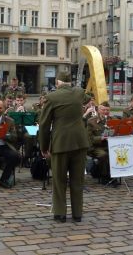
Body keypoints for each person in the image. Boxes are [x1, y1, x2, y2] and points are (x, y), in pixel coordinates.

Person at [38, 71, 90, 223]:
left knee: (59, 180)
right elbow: (87, 97)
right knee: (77, 179)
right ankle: (77, 214)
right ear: (70, 83)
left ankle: (60, 213)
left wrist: (44, 146)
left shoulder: (51, 98)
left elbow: (44, 125)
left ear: (57, 82)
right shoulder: (79, 93)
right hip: (80, 142)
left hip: (61, 143)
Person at [87, 102, 115, 184]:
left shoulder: (113, 120)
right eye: (103, 110)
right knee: (103, 155)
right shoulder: (91, 121)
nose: (105, 111)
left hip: (110, 145)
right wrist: (101, 138)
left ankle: (114, 175)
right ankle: (105, 176)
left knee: (118, 153)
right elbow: (90, 139)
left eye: (107, 110)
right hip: (96, 147)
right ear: (98, 110)